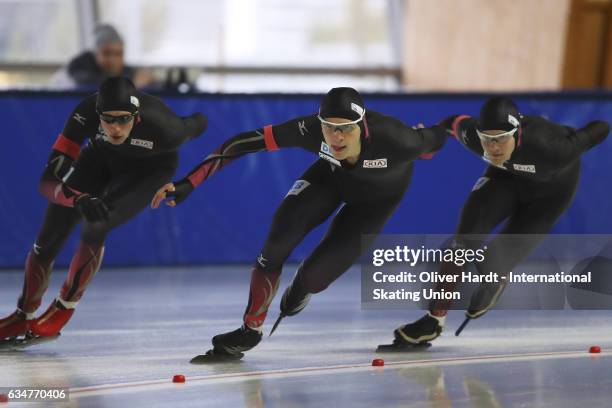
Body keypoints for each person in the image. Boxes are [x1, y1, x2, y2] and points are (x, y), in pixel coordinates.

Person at [151, 87, 447, 361]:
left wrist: (447, 134)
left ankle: (303, 285)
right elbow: (240, 143)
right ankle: (249, 330)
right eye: (329, 127)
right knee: (279, 237)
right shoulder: (310, 131)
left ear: (361, 125)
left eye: (345, 129)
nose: (336, 137)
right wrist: (190, 182)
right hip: (329, 179)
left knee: (317, 277)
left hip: (377, 200)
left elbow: (438, 136)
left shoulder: (399, 139)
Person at [384, 96, 610, 349]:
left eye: (502, 138)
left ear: (518, 133)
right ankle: (434, 320)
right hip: (505, 180)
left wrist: (581, 137)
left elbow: (601, 126)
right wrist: (430, 143)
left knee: (492, 261)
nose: (494, 148)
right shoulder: (472, 135)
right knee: (461, 245)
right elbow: (449, 123)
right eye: (488, 139)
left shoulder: (553, 148)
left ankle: (495, 277)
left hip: (550, 196)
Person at [0, 77, 207, 345]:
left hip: (149, 170)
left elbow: (199, 121)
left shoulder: (166, 127)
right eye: (108, 119)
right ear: (97, 115)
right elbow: (48, 182)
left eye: (124, 119)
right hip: (99, 159)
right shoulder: (84, 113)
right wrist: (78, 199)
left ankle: (64, 306)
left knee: (97, 223)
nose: (117, 128)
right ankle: (23, 313)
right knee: (48, 236)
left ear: (137, 116)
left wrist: (187, 182)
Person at [49, 24, 153, 90]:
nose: (113, 60)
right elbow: (90, 84)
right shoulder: (78, 67)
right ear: (95, 53)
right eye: (107, 53)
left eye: (118, 54)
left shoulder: (124, 71)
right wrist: (132, 84)